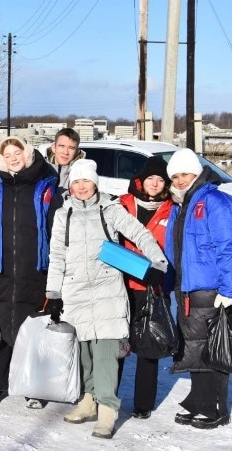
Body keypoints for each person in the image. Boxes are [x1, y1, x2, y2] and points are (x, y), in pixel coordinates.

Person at [46, 158, 168, 439]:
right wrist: (53, 294)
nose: (81, 187)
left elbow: (140, 233)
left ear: (95, 183)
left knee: (105, 355)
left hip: (107, 292)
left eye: (86, 181)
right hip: (75, 292)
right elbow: (57, 257)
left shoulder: (111, 210)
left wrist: (157, 264)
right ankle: (88, 402)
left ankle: (107, 411)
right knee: (85, 354)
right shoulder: (63, 216)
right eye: (76, 182)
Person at [165, 148, 232, 429]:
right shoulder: (181, 205)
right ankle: (199, 401)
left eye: (185, 174)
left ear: (198, 172)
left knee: (214, 350)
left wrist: (230, 290)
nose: (179, 180)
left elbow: (230, 248)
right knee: (195, 349)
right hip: (188, 289)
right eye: (175, 176)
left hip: (213, 289)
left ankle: (216, 408)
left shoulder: (216, 201)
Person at [0, 136, 58, 408]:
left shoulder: (45, 189)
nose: (13, 158)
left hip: (34, 270)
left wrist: (55, 271)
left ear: (28, 154)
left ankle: (34, 388)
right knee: (2, 328)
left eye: (18, 153)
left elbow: (55, 233)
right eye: (8, 154)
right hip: (1, 271)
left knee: (33, 330)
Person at [117, 156, 174, 420]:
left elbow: (176, 250)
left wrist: (167, 281)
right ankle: (107, 397)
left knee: (148, 349)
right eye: (150, 177)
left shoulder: (173, 209)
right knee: (115, 345)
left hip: (154, 289)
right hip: (121, 287)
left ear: (165, 184)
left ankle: (143, 404)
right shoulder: (123, 204)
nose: (154, 183)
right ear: (140, 180)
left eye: (160, 179)